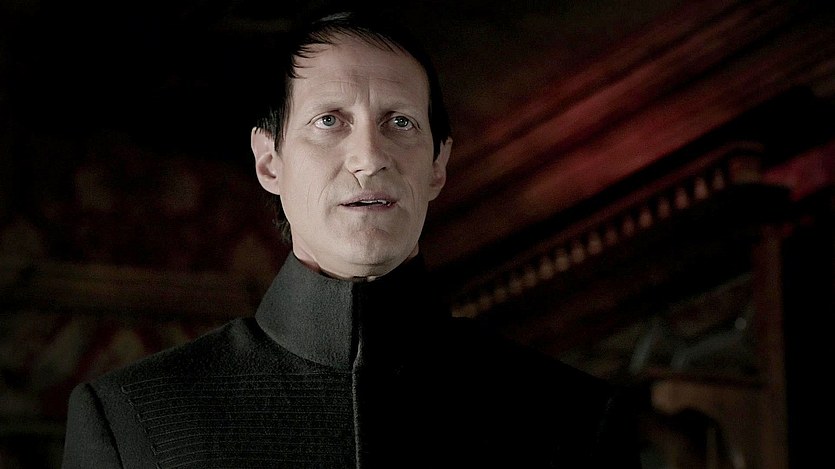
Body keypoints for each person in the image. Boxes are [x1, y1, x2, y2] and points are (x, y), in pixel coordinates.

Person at [61, 10, 643, 469]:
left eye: (400, 123)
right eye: (329, 121)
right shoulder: (130, 420)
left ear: (437, 166)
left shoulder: (578, 420)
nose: (369, 157)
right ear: (269, 161)